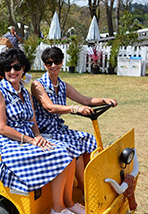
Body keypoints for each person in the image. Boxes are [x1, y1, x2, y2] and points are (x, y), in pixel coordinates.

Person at [0, 48, 85, 214]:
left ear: (23, 68)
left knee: (70, 151)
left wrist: (38, 136)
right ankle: (57, 209)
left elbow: (32, 119)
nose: (12, 72)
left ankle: (69, 202)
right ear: (2, 71)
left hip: (28, 138)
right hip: (8, 143)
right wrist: (31, 140)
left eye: (17, 67)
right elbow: (2, 128)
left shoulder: (24, 91)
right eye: (7, 68)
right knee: (60, 155)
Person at [31, 46, 117, 193]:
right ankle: (87, 191)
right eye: (49, 63)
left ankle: (92, 181)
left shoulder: (63, 85)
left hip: (58, 129)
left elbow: (86, 100)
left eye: (56, 61)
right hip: (43, 132)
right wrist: (75, 109)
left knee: (90, 141)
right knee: (74, 151)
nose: (53, 66)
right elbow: (50, 107)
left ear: (62, 62)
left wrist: (105, 100)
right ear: (44, 65)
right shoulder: (37, 85)